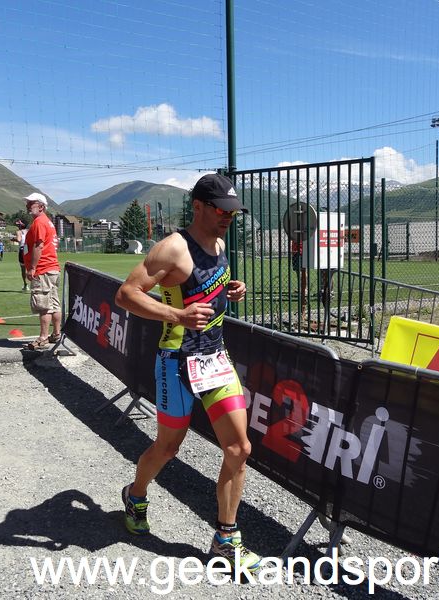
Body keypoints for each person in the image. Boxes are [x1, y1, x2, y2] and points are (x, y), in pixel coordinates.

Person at [114, 173, 259, 572]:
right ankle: (135, 495)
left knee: (239, 449)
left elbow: (207, 288)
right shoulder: (173, 249)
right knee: (167, 448)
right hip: (175, 362)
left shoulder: (220, 243)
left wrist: (233, 289)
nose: (228, 217)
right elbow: (126, 294)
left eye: (233, 212)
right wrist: (177, 315)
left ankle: (225, 540)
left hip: (214, 358)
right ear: (198, 206)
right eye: (221, 210)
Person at [23, 193, 61, 350]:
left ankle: (43, 338)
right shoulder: (47, 222)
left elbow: (38, 246)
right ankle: (56, 334)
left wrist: (32, 267)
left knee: (43, 305)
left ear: (41, 206)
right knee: (54, 303)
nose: (27, 206)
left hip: (43, 268)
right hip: (51, 267)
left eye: (31, 203)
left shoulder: (39, 222)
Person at [15, 219, 29, 290]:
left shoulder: (19, 232)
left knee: (23, 268)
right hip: (28, 248)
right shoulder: (28, 231)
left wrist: (14, 239)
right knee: (31, 267)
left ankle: (25, 285)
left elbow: (19, 240)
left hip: (23, 248)